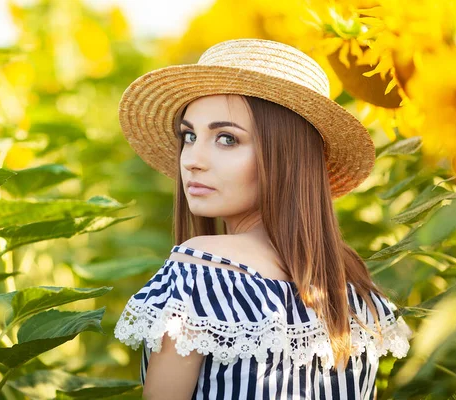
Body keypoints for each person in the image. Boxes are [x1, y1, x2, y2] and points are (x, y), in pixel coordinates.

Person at [113, 39, 412, 400]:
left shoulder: (201, 271)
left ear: (286, 157)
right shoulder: (357, 293)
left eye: (227, 139)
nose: (192, 158)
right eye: (189, 136)